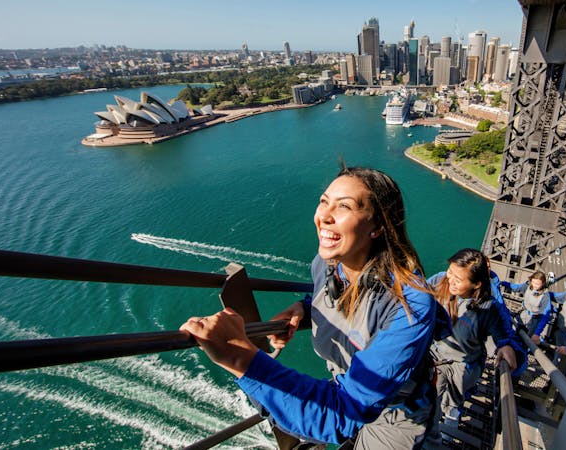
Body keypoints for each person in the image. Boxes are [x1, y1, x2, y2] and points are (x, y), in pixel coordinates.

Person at [180, 166, 437, 448]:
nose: (324, 216)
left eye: (344, 207)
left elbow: (341, 413)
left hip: (398, 414)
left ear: (378, 226)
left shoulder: (410, 304)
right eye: (324, 201)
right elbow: (335, 297)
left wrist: (238, 355)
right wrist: (305, 308)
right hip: (347, 386)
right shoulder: (326, 265)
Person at [428, 248, 519, 422]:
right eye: (450, 272)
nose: (451, 280)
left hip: (463, 365)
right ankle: (437, 424)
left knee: (452, 401)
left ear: (476, 284)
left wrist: (506, 345)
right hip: (436, 355)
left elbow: (502, 331)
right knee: (431, 396)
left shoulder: (488, 307)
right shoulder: (440, 280)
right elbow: (418, 295)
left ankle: (449, 418)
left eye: (459, 279)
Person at [499, 271, 553, 345]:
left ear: (543, 284)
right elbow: (517, 288)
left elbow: (545, 316)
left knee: (524, 341)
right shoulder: (528, 286)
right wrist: (504, 283)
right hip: (522, 315)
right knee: (512, 334)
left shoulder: (545, 296)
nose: (534, 285)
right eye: (533, 282)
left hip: (533, 322)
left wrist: (537, 333)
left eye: (537, 284)